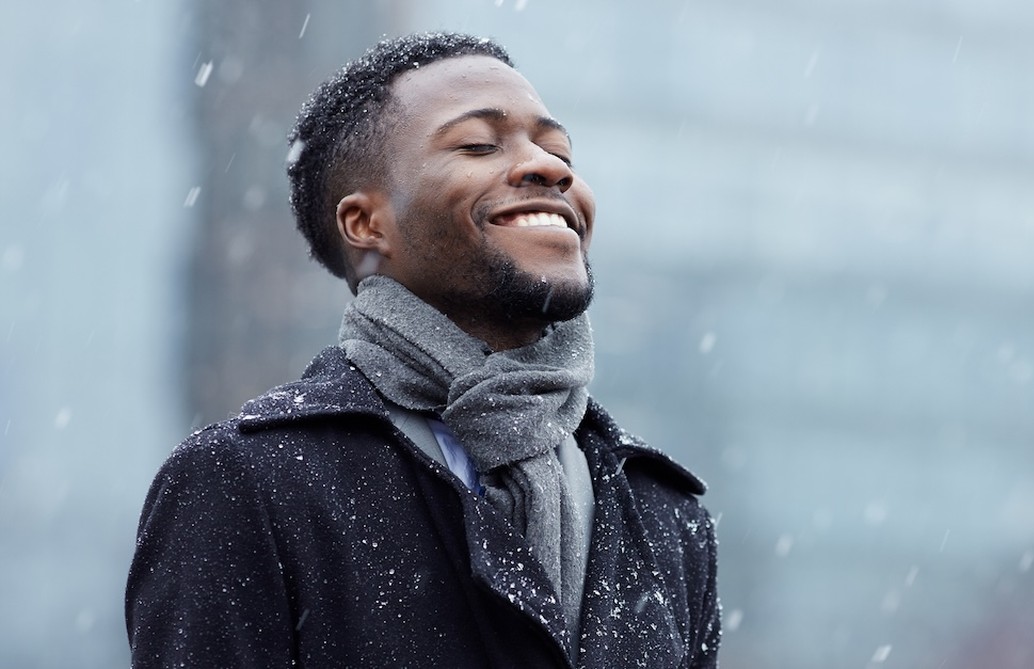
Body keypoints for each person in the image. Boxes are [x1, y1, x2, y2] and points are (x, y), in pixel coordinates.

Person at [126, 32, 720, 668]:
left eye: (557, 149)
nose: (552, 169)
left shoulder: (665, 514)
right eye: (477, 145)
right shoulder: (250, 484)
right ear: (365, 224)